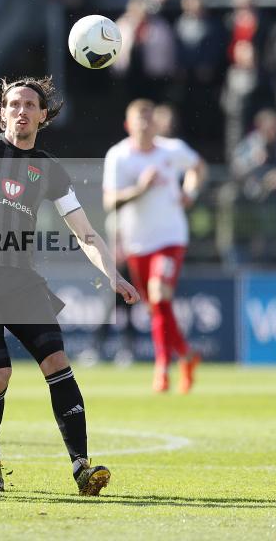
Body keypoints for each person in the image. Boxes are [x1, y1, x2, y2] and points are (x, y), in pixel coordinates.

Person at [0, 76, 139, 496]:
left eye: (30, 105)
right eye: (13, 104)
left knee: (57, 362)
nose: (21, 111)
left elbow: (85, 231)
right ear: (2, 112)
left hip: (21, 279)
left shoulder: (49, 169)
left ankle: (82, 467)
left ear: (42, 115)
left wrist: (113, 274)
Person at [103, 99, 207, 394]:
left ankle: (162, 368)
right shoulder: (119, 156)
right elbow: (109, 201)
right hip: (137, 243)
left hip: (171, 238)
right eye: (140, 120)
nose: (145, 126)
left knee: (160, 294)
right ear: (128, 125)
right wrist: (140, 189)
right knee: (157, 308)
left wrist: (190, 192)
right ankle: (186, 355)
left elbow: (198, 167)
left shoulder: (171, 150)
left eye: (149, 120)